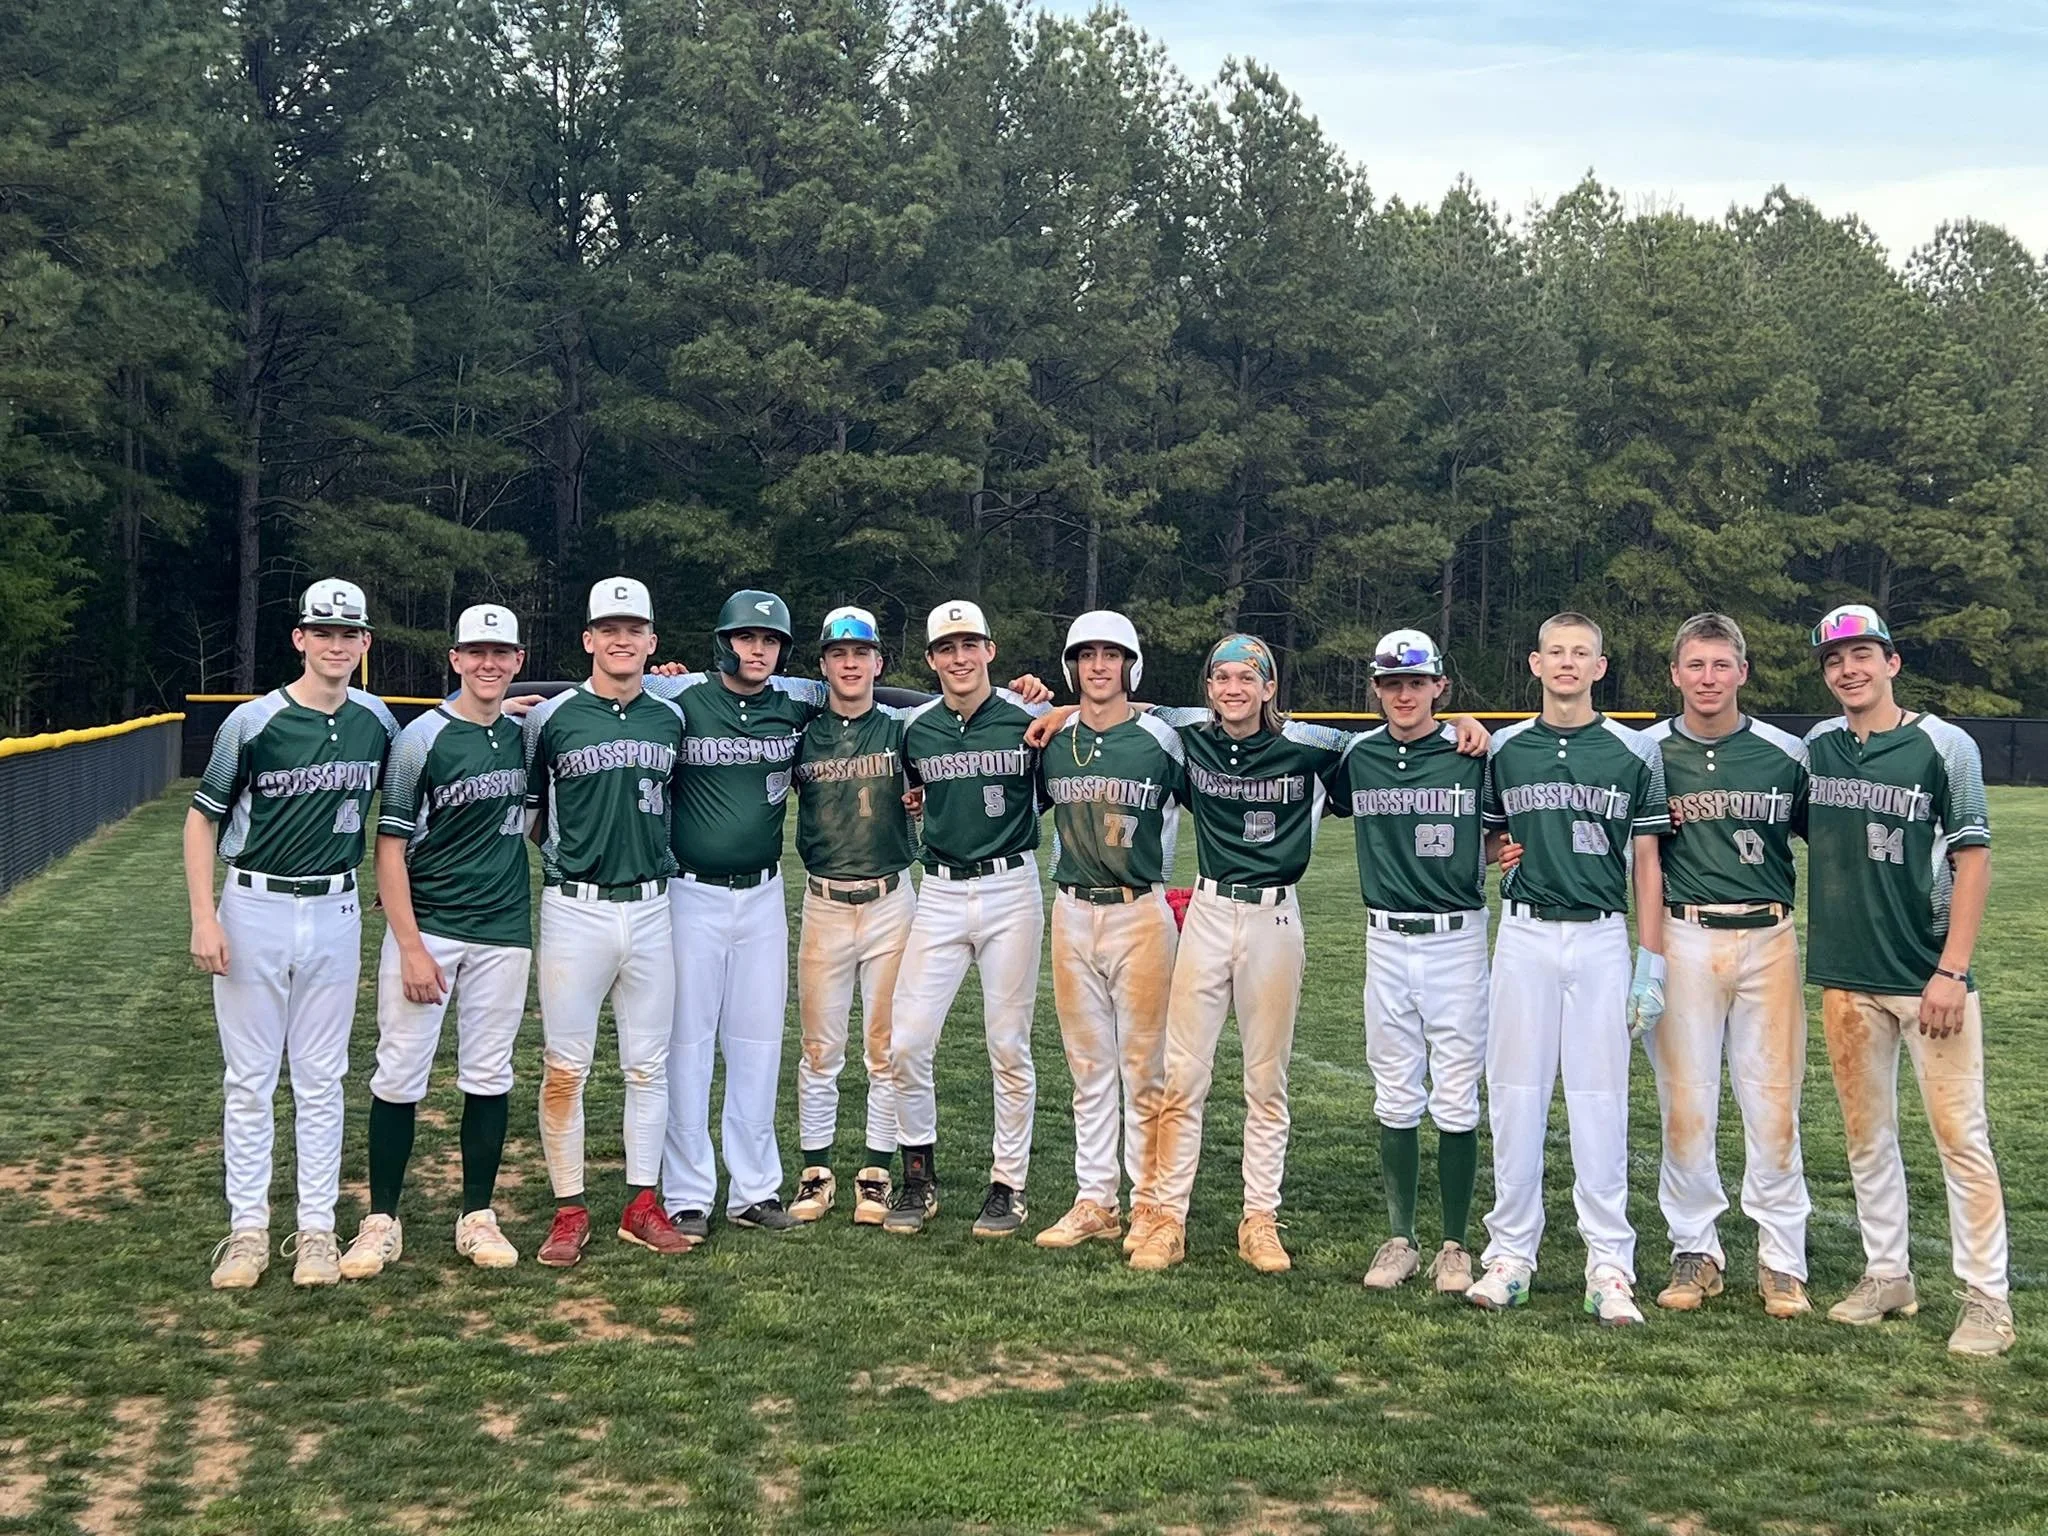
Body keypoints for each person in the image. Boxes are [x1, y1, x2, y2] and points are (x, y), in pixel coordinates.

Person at [1803, 603, 2013, 1356]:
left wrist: (1953, 969)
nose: (1848, 670)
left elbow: (1974, 858)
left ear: (1892, 662)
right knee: (1866, 1137)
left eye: (1862, 655)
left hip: (1927, 975)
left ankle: (1988, 1298)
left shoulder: (1942, 745)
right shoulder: (1819, 748)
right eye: (1834, 661)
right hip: (1846, 974)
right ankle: (1888, 1273)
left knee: (1961, 1138)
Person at [187, 577, 398, 1289]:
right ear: (299, 638)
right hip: (255, 907)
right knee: (249, 1079)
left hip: (335, 912)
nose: (336, 644)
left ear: (364, 644)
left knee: (321, 1077)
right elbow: (202, 817)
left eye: (350, 634)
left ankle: (315, 1229)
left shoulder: (378, 721)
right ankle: (247, 1230)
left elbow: (441, 755)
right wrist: (203, 914)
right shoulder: (251, 721)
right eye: (323, 632)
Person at [1468, 612, 1669, 1326]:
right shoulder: (1507, 749)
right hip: (1523, 936)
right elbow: (1490, 838)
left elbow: (1647, 860)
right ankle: (1509, 1255)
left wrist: (1653, 960)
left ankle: (1609, 1265)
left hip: (1601, 936)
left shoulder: (1633, 750)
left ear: (1599, 667)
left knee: (1599, 1100)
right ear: (1534, 662)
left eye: (1580, 653)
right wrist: (1499, 854)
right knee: (1515, 1095)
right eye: (1555, 651)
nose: (1566, 663)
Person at [338, 604, 531, 1279]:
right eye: (475, 651)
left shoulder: (523, 735)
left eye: (500, 652)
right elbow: (387, 850)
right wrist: (412, 945)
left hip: (505, 927)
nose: (488, 663)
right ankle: (381, 1219)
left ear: (517, 661)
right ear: (454, 659)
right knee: (398, 1073)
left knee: (488, 1072)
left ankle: (476, 1214)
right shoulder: (420, 738)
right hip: (432, 929)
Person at [1641, 614, 1813, 1318]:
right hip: (1684, 934)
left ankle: (1782, 1257)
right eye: (1695, 666)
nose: (1707, 679)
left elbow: (1824, 837)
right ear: (1675, 673)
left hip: (1769, 935)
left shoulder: (1786, 753)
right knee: (1685, 1101)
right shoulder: (1645, 751)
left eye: (1720, 665)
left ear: (1743, 671)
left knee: (1773, 1101)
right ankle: (1696, 1247)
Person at [520, 577, 692, 1266]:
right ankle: (569, 1209)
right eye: (608, 629)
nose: (622, 640)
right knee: (566, 1068)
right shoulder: (552, 718)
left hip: (653, 907)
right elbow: (530, 814)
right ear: (588, 640)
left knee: (648, 1068)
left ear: (652, 642)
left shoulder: (670, 717)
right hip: (575, 907)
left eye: (635, 629)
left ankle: (642, 1205)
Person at [645, 591, 824, 1238]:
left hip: (763, 895)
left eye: (770, 640)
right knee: (687, 1045)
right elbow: (596, 692)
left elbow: (879, 693)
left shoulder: (797, 701)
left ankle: (753, 1189)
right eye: (746, 637)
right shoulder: (681, 697)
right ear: (723, 641)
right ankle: (688, 1191)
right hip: (690, 894)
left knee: (756, 1043)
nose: (758, 650)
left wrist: (1032, 697)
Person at [1331, 630, 1498, 1296]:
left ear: (1439, 688)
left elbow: (1500, 830)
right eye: (1391, 683)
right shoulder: (1356, 756)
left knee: (1457, 1091)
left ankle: (1455, 1245)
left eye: (1416, 682)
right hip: (1384, 938)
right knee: (1395, 1086)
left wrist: (1474, 727)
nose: (1404, 694)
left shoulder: (1473, 752)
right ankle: (1400, 1236)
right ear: (1376, 690)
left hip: (1456, 937)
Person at [884, 601, 1052, 1238]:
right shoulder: (915, 727)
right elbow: (911, 789)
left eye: (970, 645)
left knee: (1007, 1044)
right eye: (946, 648)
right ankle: (918, 1176)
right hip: (941, 889)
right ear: (930, 660)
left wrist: (1051, 702)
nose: (959, 658)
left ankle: (1008, 1184)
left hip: (1012, 886)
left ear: (991, 649)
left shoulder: (1029, 717)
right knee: (907, 1040)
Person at [1033, 611, 1186, 1252]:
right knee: (1088, 1069)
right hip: (1071, 910)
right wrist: (1051, 710)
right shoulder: (1049, 738)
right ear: (1072, 666)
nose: (1099, 666)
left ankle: (1151, 1203)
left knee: (1144, 1069)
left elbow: (1223, 723)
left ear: (1131, 665)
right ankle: (1095, 1200)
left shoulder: (1163, 737)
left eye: (1112, 655)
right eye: (1087, 655)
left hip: (1139, 911)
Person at [787, 607, 920, 1226]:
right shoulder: (801, 734)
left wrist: (1030, 695)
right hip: (824, 902)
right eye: (838, 653)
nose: (849, 663)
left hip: (892, 899)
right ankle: (815, 1171)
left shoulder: (904, 731)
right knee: (820, 1047)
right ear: (823, 664)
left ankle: (875, 1170)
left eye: (860, 653)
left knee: (886, 1046)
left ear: (877, 663)